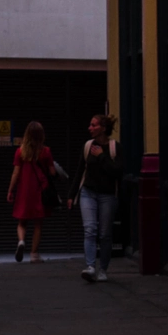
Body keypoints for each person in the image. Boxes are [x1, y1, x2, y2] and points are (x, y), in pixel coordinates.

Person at [72, 112, 119, 282]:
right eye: (90, 125)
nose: (89, 128)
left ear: (103, 128)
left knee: (105, 233)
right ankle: (91, 266)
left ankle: (103, 269)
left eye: (93, 125)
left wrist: (101, 156)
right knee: (90, 229)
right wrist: (72, 195)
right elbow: (80, 171)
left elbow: (116, 172)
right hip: (88, 193)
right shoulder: (87, 146)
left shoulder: (114, 147)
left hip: (107, 195)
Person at [7, 119, 53, 263]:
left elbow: (15, 173)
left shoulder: (20, 152)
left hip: (24, 191)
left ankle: (21, 241)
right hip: (40, 191)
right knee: (38, 224)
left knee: (22, 222)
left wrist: (10, 190)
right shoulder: (46, 151)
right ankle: (34, 254)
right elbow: (52, 172)